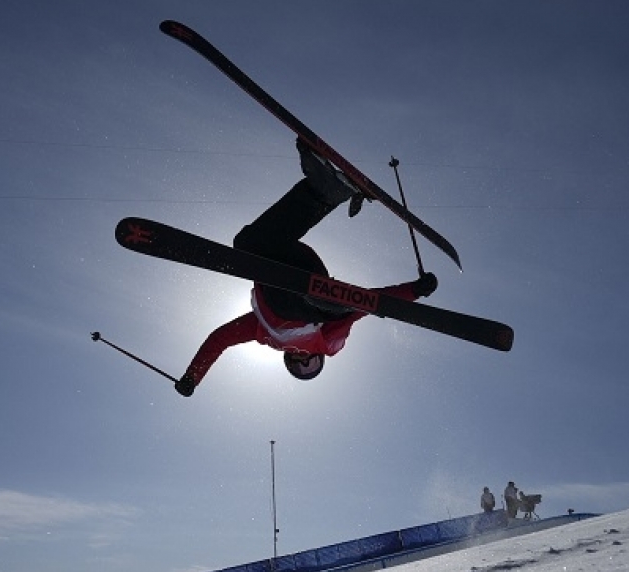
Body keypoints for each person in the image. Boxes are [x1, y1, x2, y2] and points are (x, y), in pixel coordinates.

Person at [174, 138, 438, 395]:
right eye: (310, 366)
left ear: (286, 361)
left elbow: (219, 339)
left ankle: (324, 190)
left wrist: (192, 376)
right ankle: (323, 302)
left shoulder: (262, 333)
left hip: (278, 275)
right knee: (329, 310)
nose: (302, 361)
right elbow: (371, 303)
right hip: (313, 293)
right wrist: (414, 290)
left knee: (246, 244)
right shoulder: (326, 342)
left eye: (297, 367)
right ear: (319, 359)